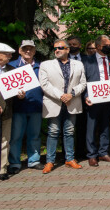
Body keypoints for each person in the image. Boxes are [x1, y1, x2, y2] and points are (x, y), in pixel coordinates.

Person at [39, 39, 87, 174]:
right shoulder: (46, 65)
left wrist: (71, 94)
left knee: (70, 131)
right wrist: (61, 95)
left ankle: (70, 159)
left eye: (60, 48)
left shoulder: (78, 64)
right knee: (53, 131)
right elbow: (44, 84)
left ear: (67, 49)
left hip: (72, 102)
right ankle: (50, 161)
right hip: (54, 102)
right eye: (55, 48)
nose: (57, 50)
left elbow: (83, 83)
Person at [0, 43, 24, 180]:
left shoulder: (11, 70)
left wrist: (20, 95)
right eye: (7, 54)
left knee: (3, 142)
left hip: (6, 112)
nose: (10, 57)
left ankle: (0, 169)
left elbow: (15, 89)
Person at [8, 40, 44, 174]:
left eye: (31, 49)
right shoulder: (12, 66)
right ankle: (15, 163)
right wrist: (16, 95)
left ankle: (34, 160)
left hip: (36, 107)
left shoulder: (40, 67)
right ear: (20, 50)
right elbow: (6, 89)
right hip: (18, 108)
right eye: (25, 49)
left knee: (34, 136)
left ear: (34, 51)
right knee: (16, 137)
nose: (28, 51)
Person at [82, 35, 110, 167]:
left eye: (109, 44)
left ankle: (103, 152)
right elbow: (83, 80)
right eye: (105, 45)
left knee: (105, 126)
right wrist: (86, 95)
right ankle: (92, 155)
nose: (108, 47)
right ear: (98, 47)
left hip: (108, 99)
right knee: (91, 128)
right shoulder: (87, 60)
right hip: (93, 99)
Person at [67, 35, 87, 159]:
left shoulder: (88, 59)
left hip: (85, 98)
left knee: (82, 126)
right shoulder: (62, 59)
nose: (72, 46)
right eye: (69, 44)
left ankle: (80, 152)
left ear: (80, 45)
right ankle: (67, 154)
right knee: (67, 128)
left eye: (74, 44)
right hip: (68, 98)